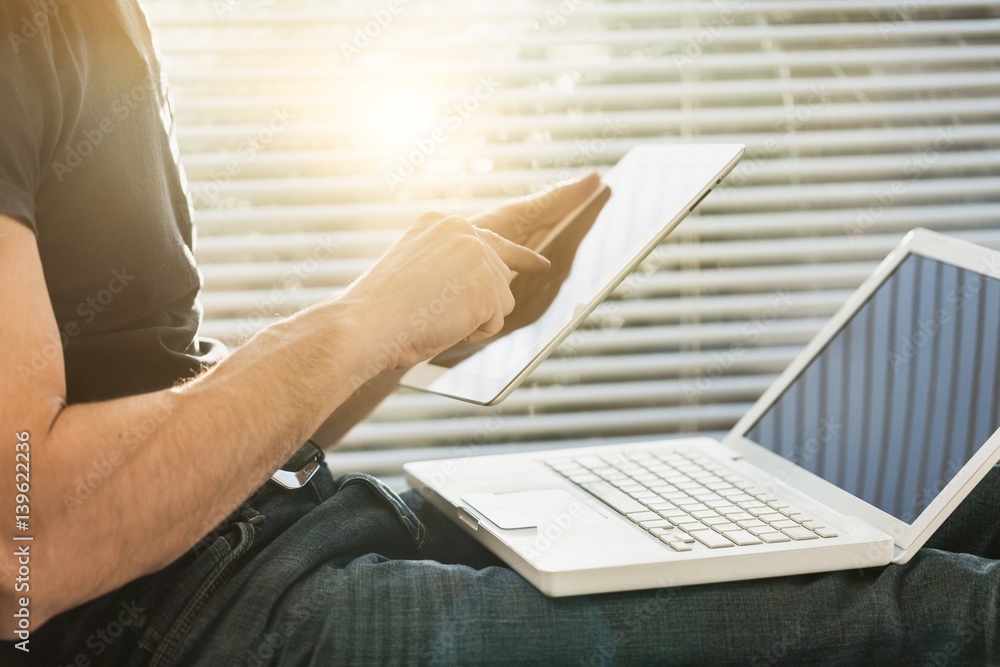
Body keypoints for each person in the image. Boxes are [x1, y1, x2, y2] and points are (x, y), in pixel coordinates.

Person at [0, 2, 996, 665]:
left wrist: (409, 324)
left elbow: (150, 415)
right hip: (173, 625)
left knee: (961, 502)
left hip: (252, 537)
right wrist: (370, 313)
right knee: (940, 611)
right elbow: (27, 541)